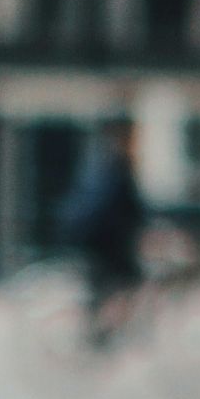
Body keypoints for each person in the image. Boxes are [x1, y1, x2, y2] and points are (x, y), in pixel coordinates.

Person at [61, 118, 147, 347]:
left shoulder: (105, 163)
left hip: (97, 239)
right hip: (103, 240)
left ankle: (102, 328)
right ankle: (103, 331)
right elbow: (131, 207)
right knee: (132, 278)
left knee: (107, 285)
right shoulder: (118, 167)